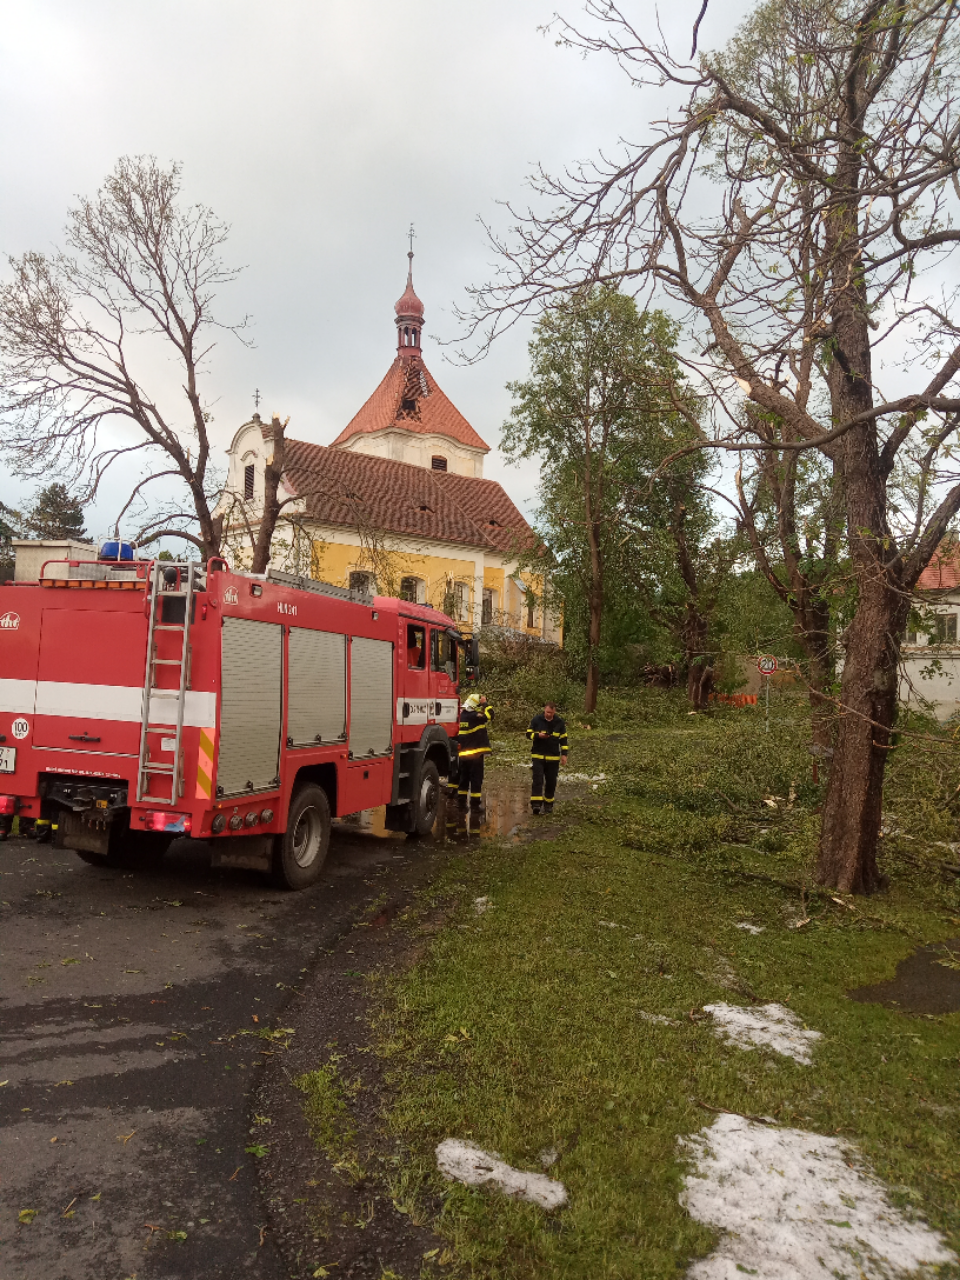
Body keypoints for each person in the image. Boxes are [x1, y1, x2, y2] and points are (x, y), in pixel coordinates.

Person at [526, 701, 568, 814]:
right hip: (538, 755)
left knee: (551, 782)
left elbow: (563, 740)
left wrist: (564, 754)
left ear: (554, 711)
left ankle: (548, 804)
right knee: (537, 780)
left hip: (553, 757)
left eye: (550, 712)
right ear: (544, 710)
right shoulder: (536, 720)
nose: (548, 714)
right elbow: (528, 734)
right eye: (547, 712)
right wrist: (538, 735)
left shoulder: (559, 723)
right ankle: (536, 804)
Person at [457, 692, 494, 807]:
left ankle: (461, 803)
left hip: (463, 755)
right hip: (475, 755)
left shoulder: (462, 716)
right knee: (476, 779)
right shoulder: (475, 717)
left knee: (463, 779)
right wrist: (485, 703)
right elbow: (490, 715)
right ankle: (475, 805)